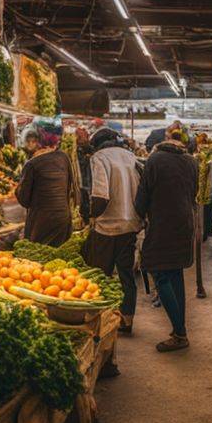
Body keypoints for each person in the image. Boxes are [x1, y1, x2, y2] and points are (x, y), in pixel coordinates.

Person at [135, 128, 198, 352]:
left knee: (159, 273)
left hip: (163, 224)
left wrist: (140, 215)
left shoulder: (154, 160)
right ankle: (179, 330)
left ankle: (180, 333)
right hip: (184, 223)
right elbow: (193, 193)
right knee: (175, 273)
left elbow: (142, 196)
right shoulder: (191, 161)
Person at [83, 127, 142, 333]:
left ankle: (101, 318)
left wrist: (91, 216)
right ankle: (127, 320)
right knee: (126, 274)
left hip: (107, 226)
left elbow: (100, 194)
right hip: (130, 224)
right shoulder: (131, 156)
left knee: (100, 274)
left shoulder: (99, 157)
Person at [16, 128, 77, 247]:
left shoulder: (31, 164)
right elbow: (70, 186)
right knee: (59, 253)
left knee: (39, 255)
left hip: (42, 221)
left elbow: (24, 200)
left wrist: (17, 189)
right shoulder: (63, 158)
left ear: (38, 145)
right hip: (63, 216)